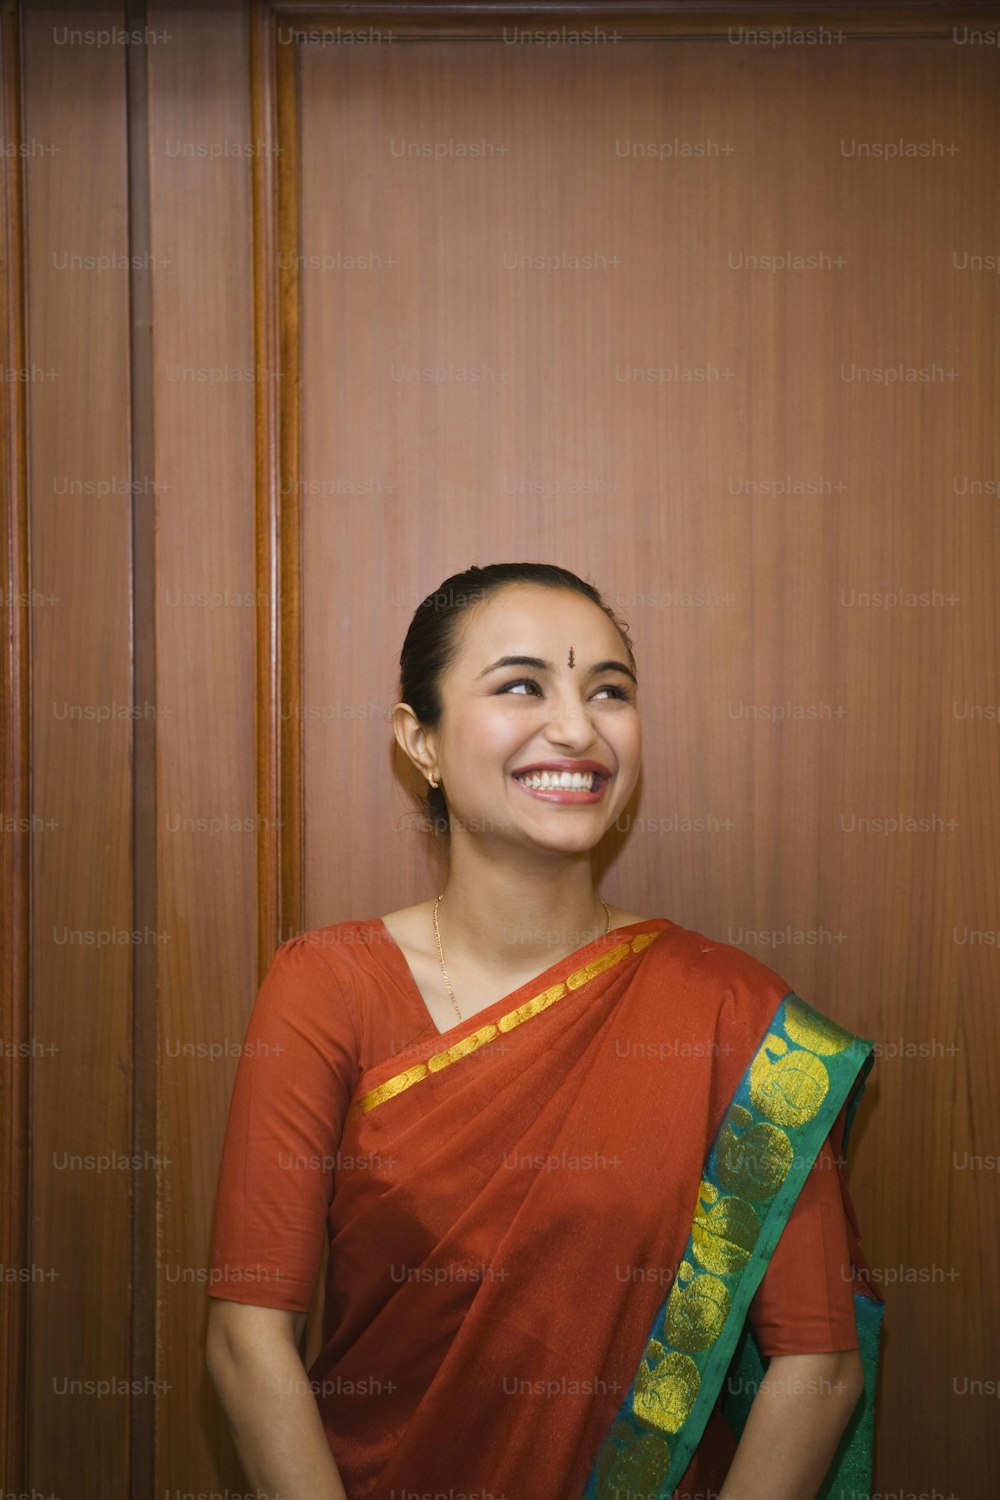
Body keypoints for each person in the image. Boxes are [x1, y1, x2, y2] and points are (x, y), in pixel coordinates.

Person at [206, 562, 882, 1500]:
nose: (577, 727)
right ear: (421, 740)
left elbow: (819, 1366)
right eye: (523, 685)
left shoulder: (730, 1009)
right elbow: (248, 1339)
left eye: (609, 691)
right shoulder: (327, 988)